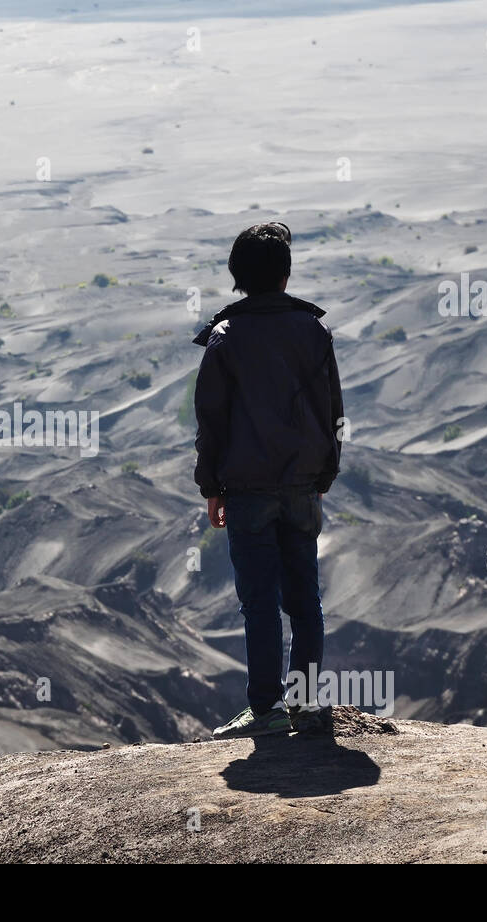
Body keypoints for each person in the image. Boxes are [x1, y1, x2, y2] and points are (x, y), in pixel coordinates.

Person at [191, 222, 344, 738]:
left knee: (259, 602)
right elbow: (332, 410)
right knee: (305, 599)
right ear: (285, 275)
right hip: (302, 486)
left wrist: (212, 487)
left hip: (249, 490)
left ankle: (266, 712)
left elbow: (211, 421)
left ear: (238, 277)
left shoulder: (226, 338)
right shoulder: (314, 330)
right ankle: (305, 705)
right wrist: (325, 472)